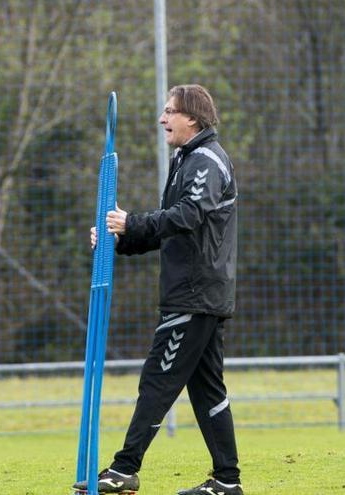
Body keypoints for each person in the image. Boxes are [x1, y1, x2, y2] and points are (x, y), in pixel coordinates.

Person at [77, 85, 242, 495]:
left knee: (158, 379)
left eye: (170, 112)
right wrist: (122, 238)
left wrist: (131, 222)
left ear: (194, 119)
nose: (162, 118)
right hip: (198, 294)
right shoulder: (184, 160)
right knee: (207, 391)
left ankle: (124, 468)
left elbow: (187, 215)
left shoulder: (205, 160)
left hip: (195, 294)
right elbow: (170, 228)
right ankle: (227, 481)